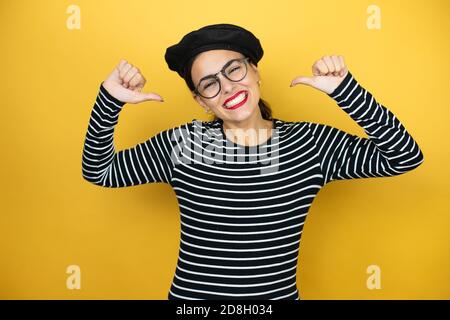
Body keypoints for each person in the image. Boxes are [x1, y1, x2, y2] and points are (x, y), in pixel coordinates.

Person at [81, 23, 424, 300]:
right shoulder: (183, 143)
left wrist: (346, 91)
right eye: (209, 84)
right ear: (200, 100)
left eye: (234, 70)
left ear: (255, 71)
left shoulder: (310, 143)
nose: (228, 87)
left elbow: (405, 156)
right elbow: (99, 170)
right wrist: (110, 100)